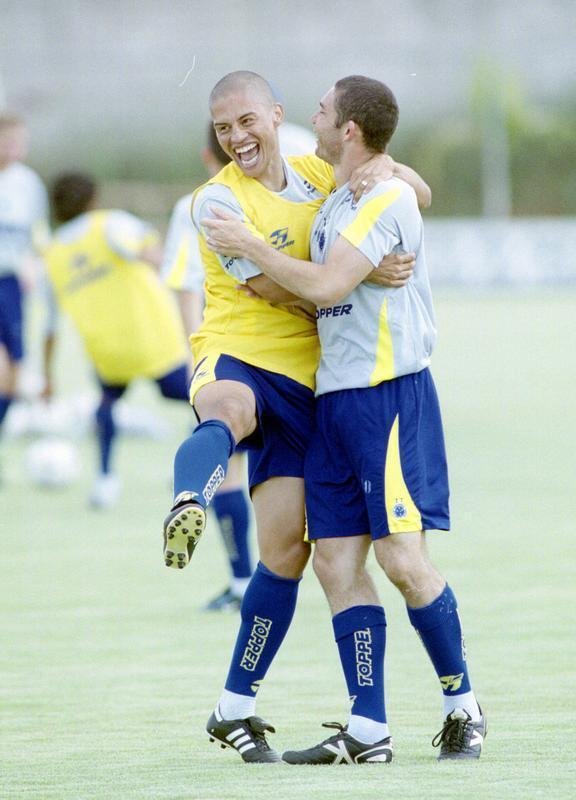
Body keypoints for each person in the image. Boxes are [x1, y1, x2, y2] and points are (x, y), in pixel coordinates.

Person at [203, 75, 485, 763]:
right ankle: (368, 728)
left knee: (402, 559)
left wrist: (257, 244)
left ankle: (463, 708)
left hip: (387, 395)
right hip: (332, 401)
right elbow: (333, 274)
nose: (313, 116)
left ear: (350, 128)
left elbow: (329, 283)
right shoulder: (337, 188)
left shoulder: (380, 193)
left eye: (323, 110)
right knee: (332, 562)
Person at [163, 70, 429, 764]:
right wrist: (359, 275)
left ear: (276, 115)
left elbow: (417, 196)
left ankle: (236, 708)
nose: (237, 138)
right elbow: (277, 293)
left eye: (247, 121)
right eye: (224, 129)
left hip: (312, 385)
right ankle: (189, 494)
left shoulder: (321, 169)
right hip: (241, 354)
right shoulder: (217, 202)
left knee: (289, 554)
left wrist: (388, 170)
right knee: (229, 407)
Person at [43, 172, 190, 508]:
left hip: (106, 349)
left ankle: (106, 480)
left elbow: (50, 327)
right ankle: (195, 466)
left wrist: (48, 375)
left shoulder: (51, 254)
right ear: (93, 200)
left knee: (107, 404)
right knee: (197, 398)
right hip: (151, 338)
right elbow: (154, 254)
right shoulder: (108, 225)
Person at [161, 125, 252, 612]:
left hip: (231, 360)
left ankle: (242, 581)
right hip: (299, 360)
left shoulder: (195, 205)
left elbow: (183, 284)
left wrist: (201, 362)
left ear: (206, 156)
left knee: (228, 466)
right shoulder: (290, 192)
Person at [0, 115, 48, 468]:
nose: (16, 148)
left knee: (15, 373)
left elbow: (37, 234)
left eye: (21, 141)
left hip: (14, 288)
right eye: (9, 141)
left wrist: (35, 263)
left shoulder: (28, 183)